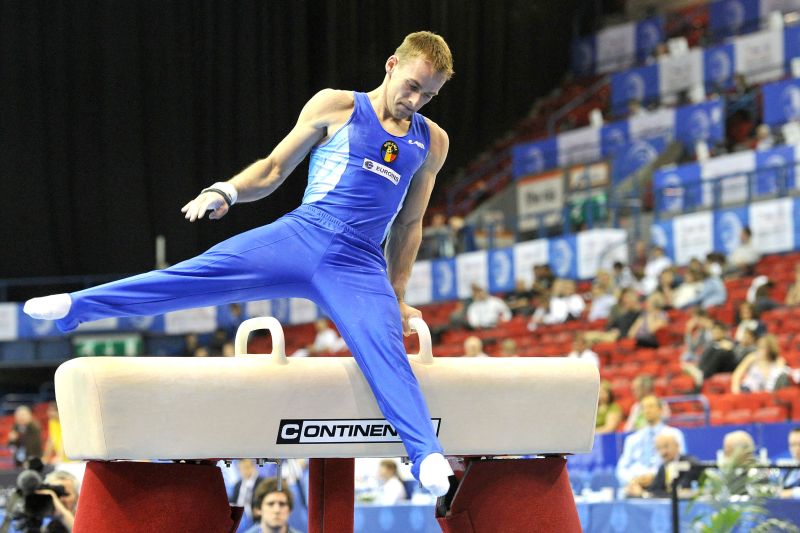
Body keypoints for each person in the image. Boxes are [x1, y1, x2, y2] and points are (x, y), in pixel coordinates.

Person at [23, 31, 456, 496]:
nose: (417, 101)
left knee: (384, 348)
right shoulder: (338, 107)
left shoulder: (431, 142)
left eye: (429, 95)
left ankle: (427, 455)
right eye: (412, 86)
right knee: (194, 275)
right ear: (392, 65)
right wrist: (226, 190)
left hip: (359, 261)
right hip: (302, 234)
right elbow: (272, 170)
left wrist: (397, 294)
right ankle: (77, 308)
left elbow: (411, 223)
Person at [616, 395, 686, 486]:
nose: (647, 410)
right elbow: (622, 468)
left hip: (663, 485)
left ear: (660, 410)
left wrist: (656, 477)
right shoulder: (632, 439)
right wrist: (632, 480)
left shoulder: (673, 435)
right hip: (635, 485)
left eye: (651, 406)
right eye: (644, 408)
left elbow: (680, 462)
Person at [625, 431, 700, 498]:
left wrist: (644, 494)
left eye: (666, 446)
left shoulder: (689, 464)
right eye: (658, 448)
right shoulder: (663, 467)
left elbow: (679, 493)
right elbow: (655, 490)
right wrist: (638, 488)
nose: (663, 452)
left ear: (677, 445)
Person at [231, 459, 264, 527]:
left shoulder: (263, 483)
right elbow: (233, 501)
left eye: (246, 467)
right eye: (241, 468)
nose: (244, 471)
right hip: (238, 519)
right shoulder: (237, 485)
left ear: (253, 466)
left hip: (255, 520)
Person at [780, 428, 800, 498]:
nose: (797, 448)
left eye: (799, 444)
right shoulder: (791, 469)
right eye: (793, 445)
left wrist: (791, 493)